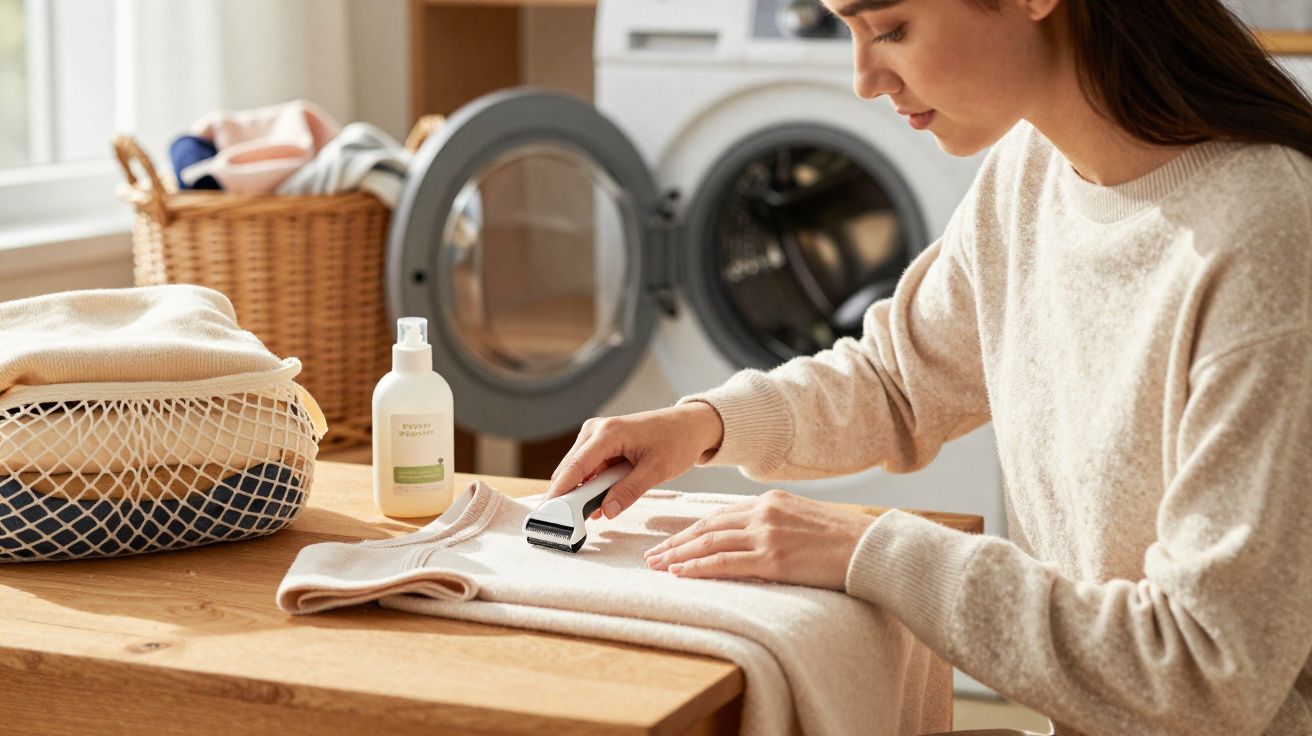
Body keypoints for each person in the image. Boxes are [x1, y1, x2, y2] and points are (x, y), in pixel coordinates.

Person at [542, 0, 1312, 733]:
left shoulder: (1265, 237)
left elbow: (1207, 671)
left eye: (891, 29)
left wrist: (870, 551)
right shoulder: (1030, 171)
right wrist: (704, 425)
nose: (864, 79)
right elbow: (898, 382)